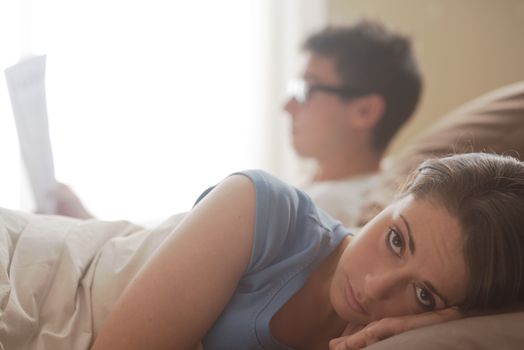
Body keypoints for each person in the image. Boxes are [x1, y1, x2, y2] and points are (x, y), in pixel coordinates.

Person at [2, 153, 523, 349]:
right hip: (30, 280)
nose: (373, 288)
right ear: (389, 203)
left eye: (425, 295)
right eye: (394, 240)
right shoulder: (262, 207)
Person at [284, 20, 422, 227]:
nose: (288, 107)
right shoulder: (317, 192)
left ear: (364, 111)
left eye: (308, 90)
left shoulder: (324, 209)